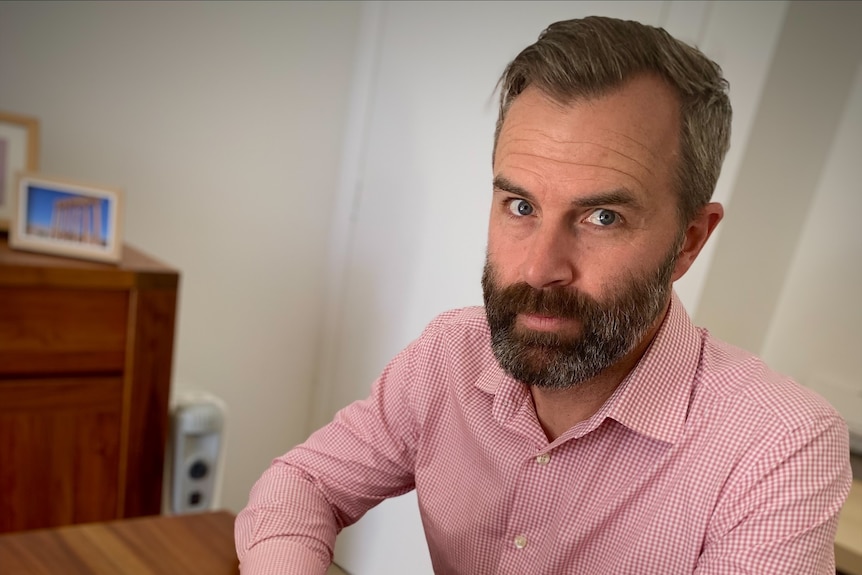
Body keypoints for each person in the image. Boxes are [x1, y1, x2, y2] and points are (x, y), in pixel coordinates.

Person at [236, 16, 851, 574]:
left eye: (603, 216)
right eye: (521, 205)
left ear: (689, 241)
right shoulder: (449, 356)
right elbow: (303, 485)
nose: (538, 268)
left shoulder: (778, 447)